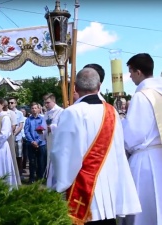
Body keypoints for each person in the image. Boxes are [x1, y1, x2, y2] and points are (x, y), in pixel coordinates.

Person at [50, 68, 141, 225]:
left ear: (76, 88)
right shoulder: (112, 111)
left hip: (84, 192)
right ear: (99, 86)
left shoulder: (72, 112)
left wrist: (59, 185)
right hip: (110, 187)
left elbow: (63, 154)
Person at [122, 53, 162, 225]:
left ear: (138, 72)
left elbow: (132, 135)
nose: (130, 76)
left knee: (143, 212)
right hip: (159, 155)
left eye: (130, 72)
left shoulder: (141, 96)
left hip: (145, 161)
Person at [0, 97, 18, 189]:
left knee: (2, 166)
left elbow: (5, 133)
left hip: (1, 146)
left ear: (3, 105)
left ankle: (7, 186)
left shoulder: (5, 117)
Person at [41, 93, 63, 187]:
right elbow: (43, 126)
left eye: (48, 102)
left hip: (59, 141)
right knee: (50, 160)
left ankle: (59, 183)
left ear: (54, 101)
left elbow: (63, 126)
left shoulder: (61, 111)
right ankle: (51, 184)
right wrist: (41, 132)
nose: (46, 105)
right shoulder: (46, 114)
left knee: (58, 161)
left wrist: (52, 128)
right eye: (45, 103)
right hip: (50, 140)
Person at [24, 102, 47, 184]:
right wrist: (32, 141)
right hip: (31, 143)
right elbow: (26, 131)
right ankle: (32, 178)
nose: (34, 110)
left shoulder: (42, 119)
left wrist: (38, 141)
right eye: (32, 108)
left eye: (35, 108)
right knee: (32, 162)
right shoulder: (28, 120)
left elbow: (43, 131)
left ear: (39, 109)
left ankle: (41, 177)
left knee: (41, 162)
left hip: (41, 143)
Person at [8, 97, 25, 178]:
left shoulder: (19, 113)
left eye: (12, 103)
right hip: (9, 137)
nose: (10, 104)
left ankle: (20, 173)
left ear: (15, 104)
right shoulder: (7, 113)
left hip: (17, 137)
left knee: (19, 156)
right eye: (9, 103)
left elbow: (20, 126)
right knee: (11, 155)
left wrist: (14, 134)